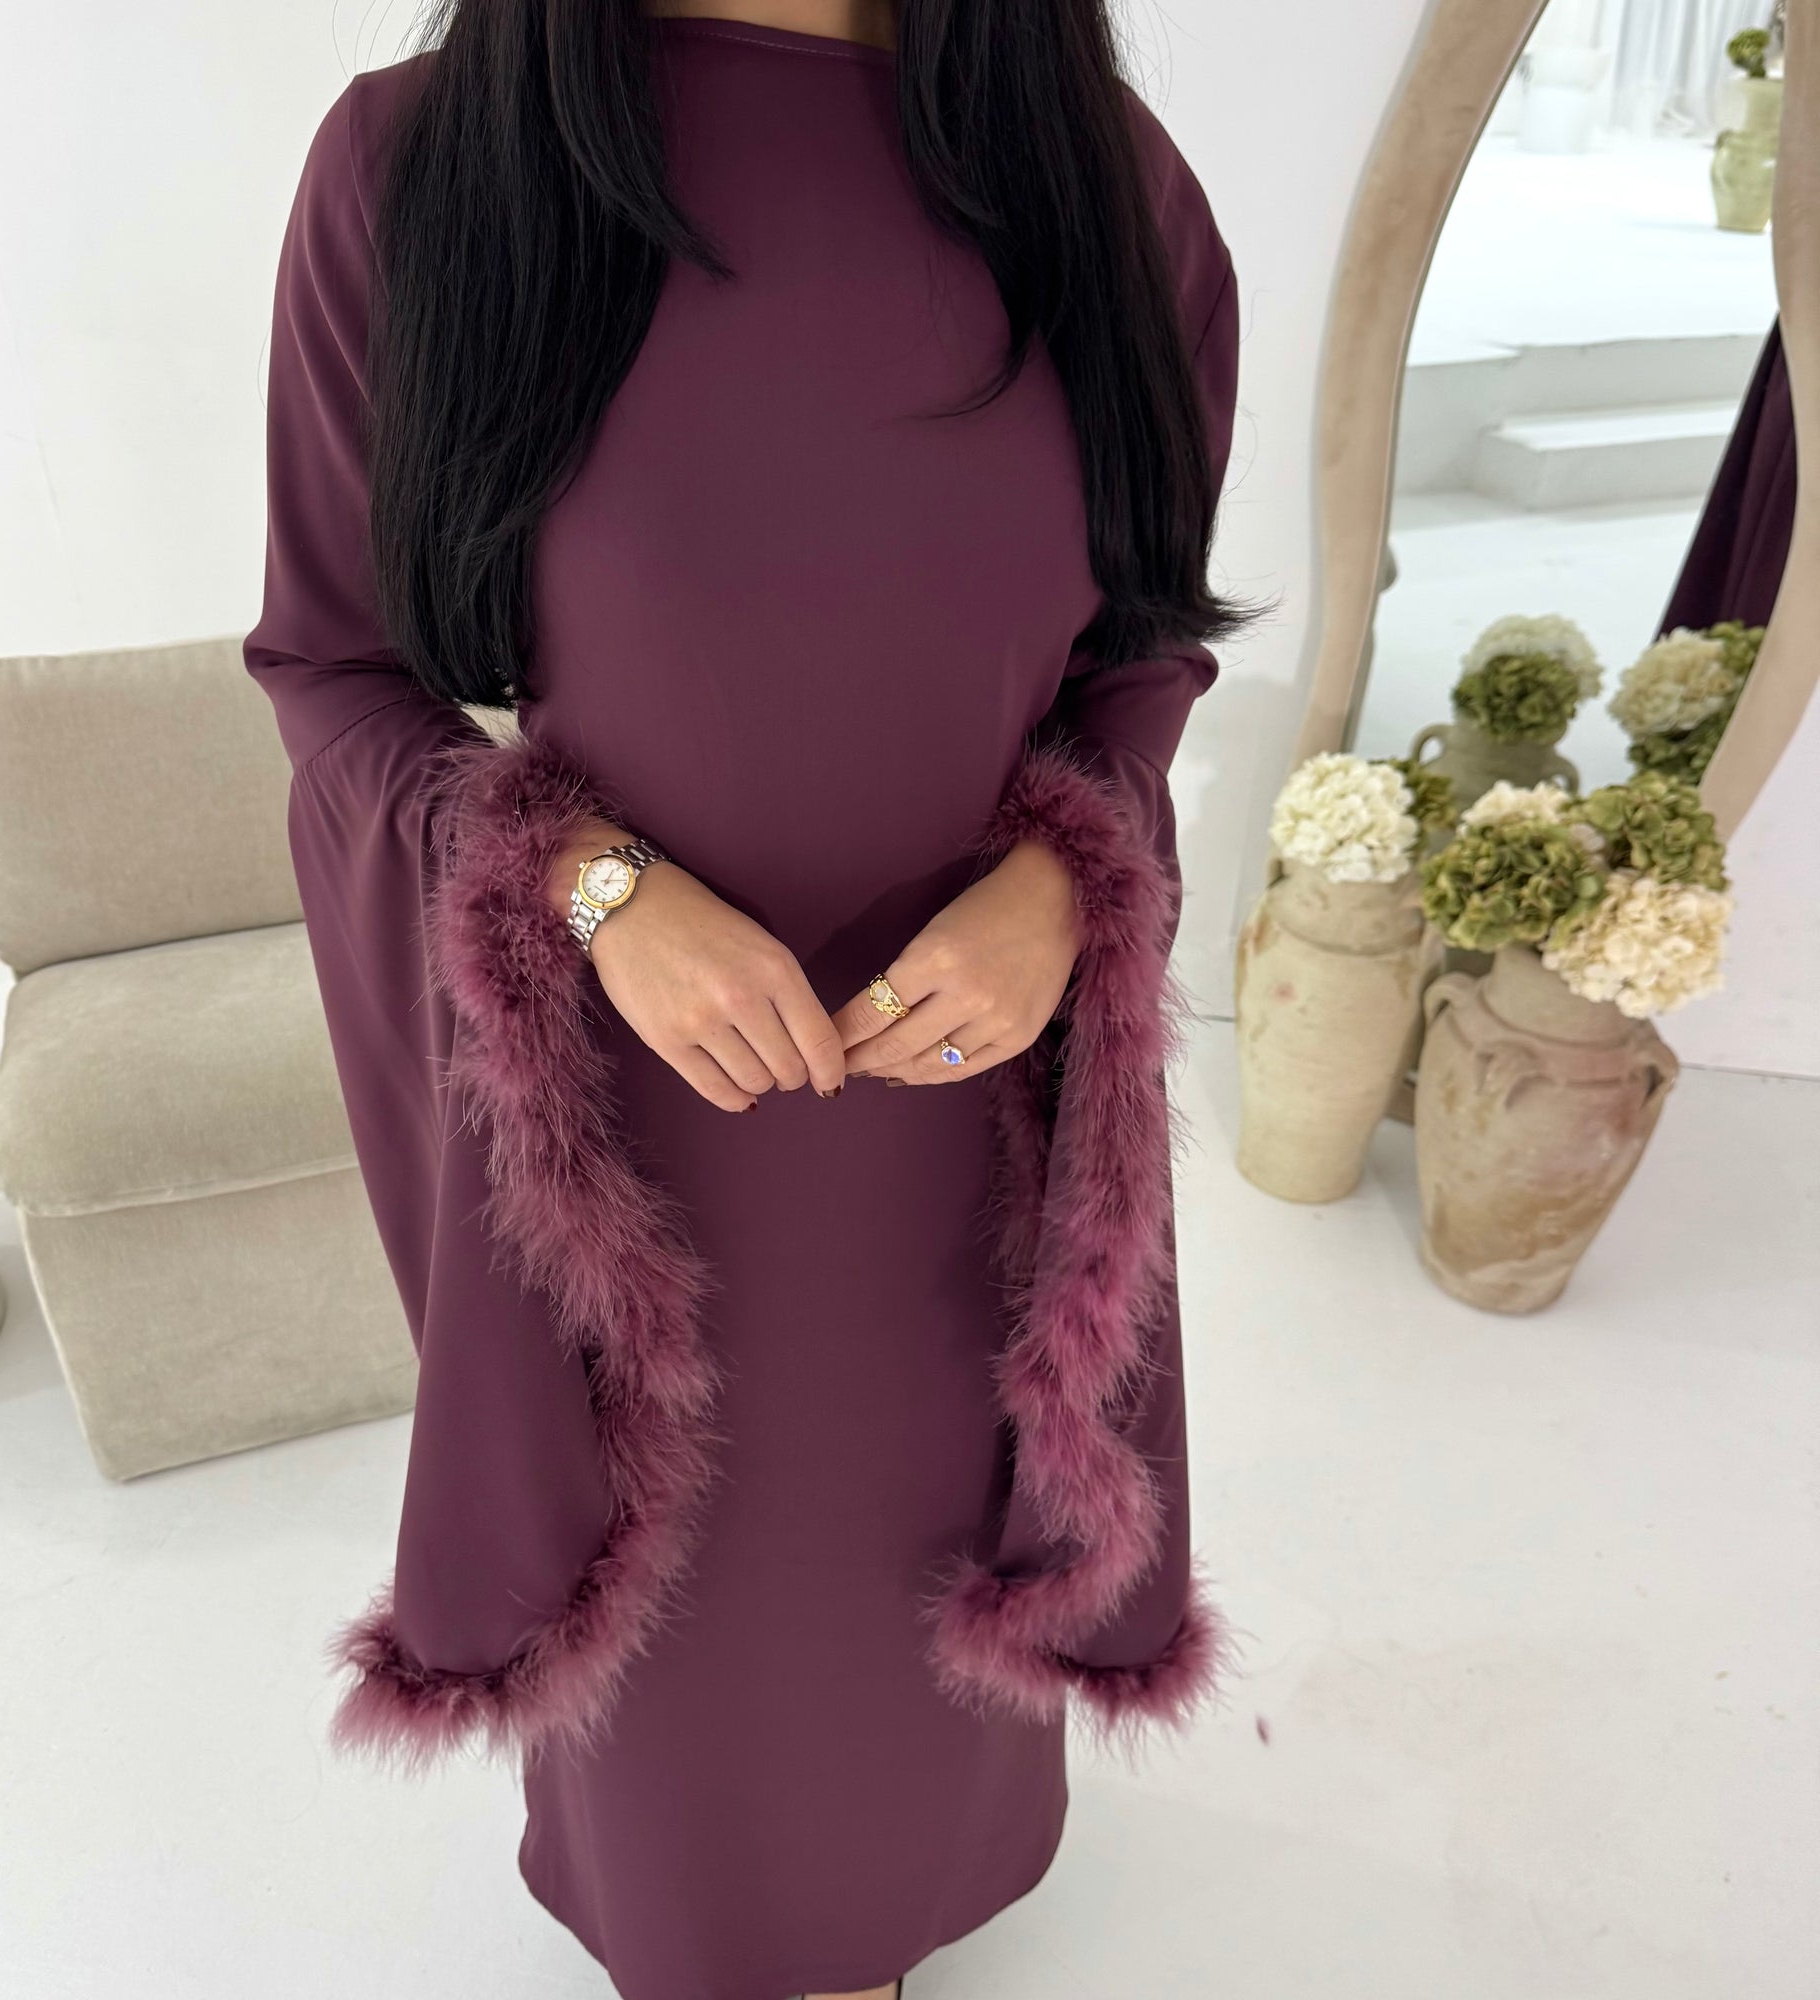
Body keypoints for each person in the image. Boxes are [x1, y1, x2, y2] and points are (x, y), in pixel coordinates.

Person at [242, 4, 1253, 1996]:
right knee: (675, 1625)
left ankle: (886, 1903)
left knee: (918, 1592)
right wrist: (594, 888)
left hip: (963, 1123)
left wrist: (1064, 880)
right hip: (625, 1129)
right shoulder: (421, 169)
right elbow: (337, 674)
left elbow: (1136, 660)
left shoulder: (1109, 191)